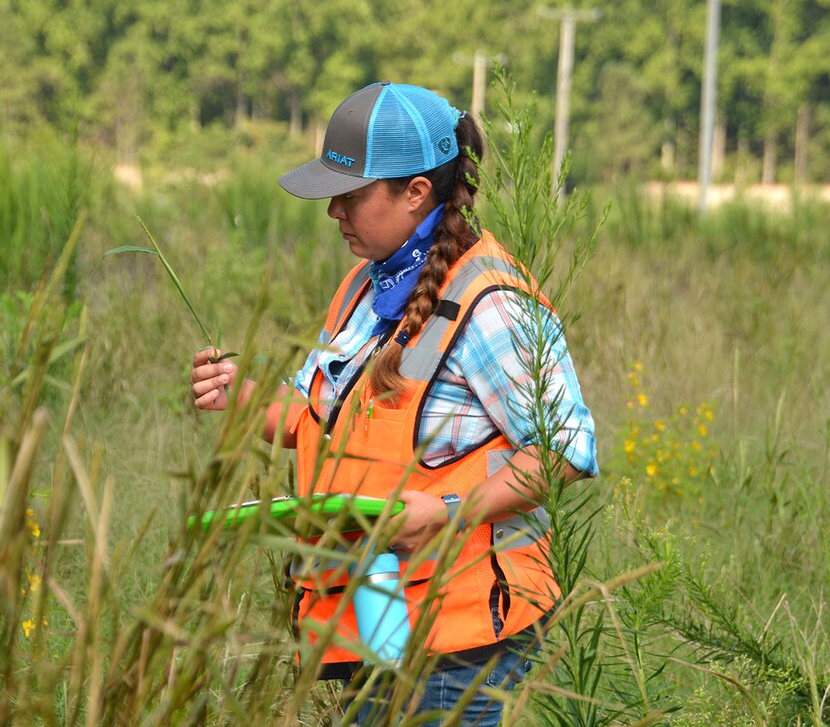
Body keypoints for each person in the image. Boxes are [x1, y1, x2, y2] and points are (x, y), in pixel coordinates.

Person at [190, 81, 598, 725]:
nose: (335, 214)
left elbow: (564, 452)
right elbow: (314, 420)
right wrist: (242, 398)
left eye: (350, 196)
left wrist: (447, 513)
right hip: (378, 611)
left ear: (415, 192)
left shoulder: (493, 303)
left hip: (459, 633)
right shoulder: (364, 287)